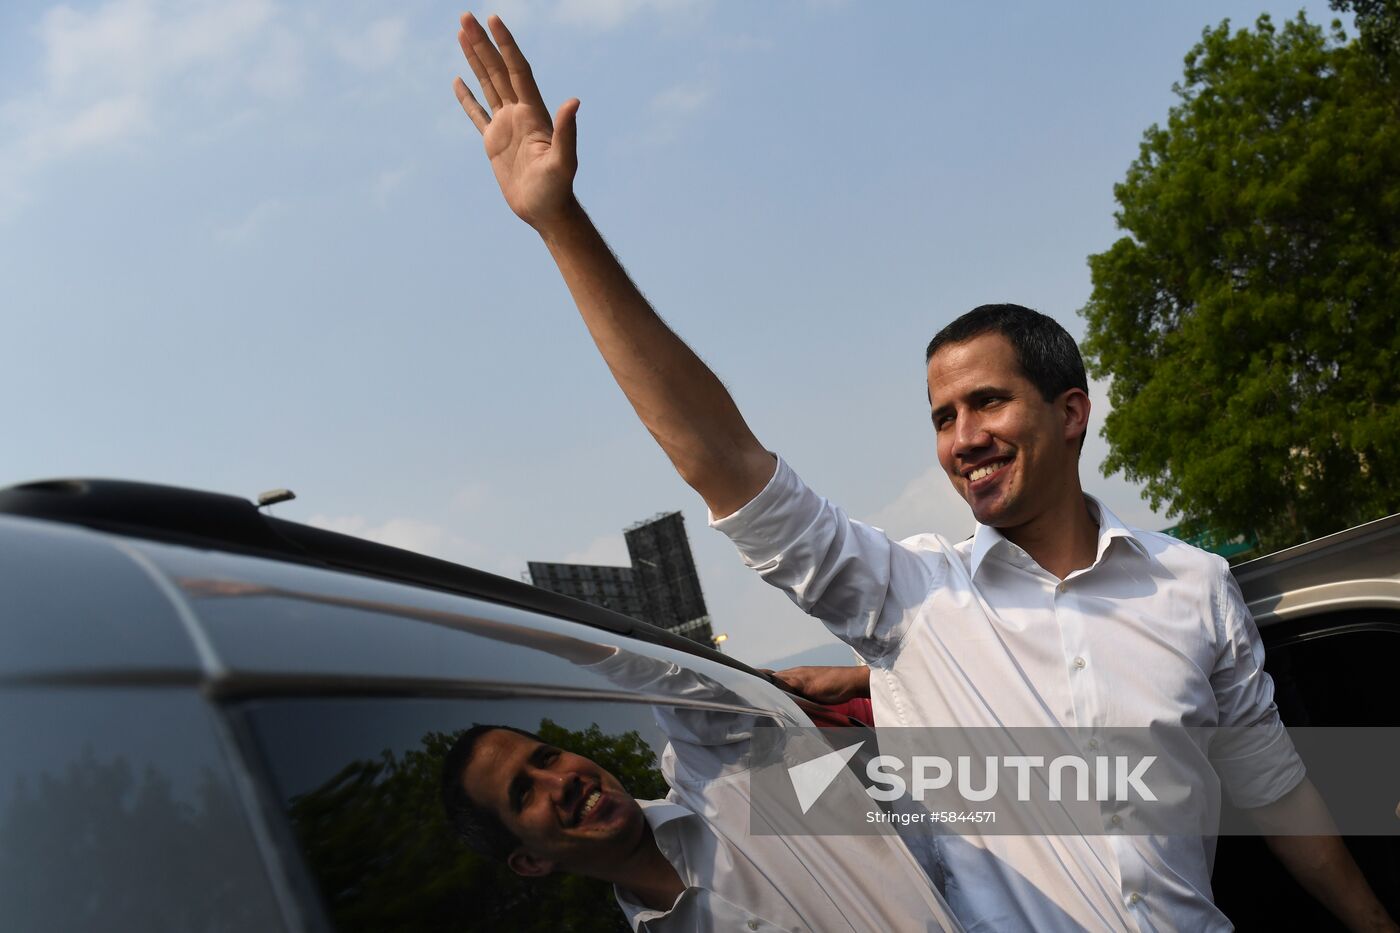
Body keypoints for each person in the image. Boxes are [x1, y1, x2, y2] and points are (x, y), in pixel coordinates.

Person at [451, 13, 1396, 932]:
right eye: (942, 417)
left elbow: (1278, 795)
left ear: (1070, 412)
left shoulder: (1196, 587)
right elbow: (724, 460)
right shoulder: (907, 602)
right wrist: (560, 222)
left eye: (986, 402)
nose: (962, 436)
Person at [440, 637, 961, 932]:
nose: (561, 781)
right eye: (523, 793)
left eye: (548, 756)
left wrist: (545, 632)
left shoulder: (722, 772)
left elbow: (666, 679)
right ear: (529, 862)